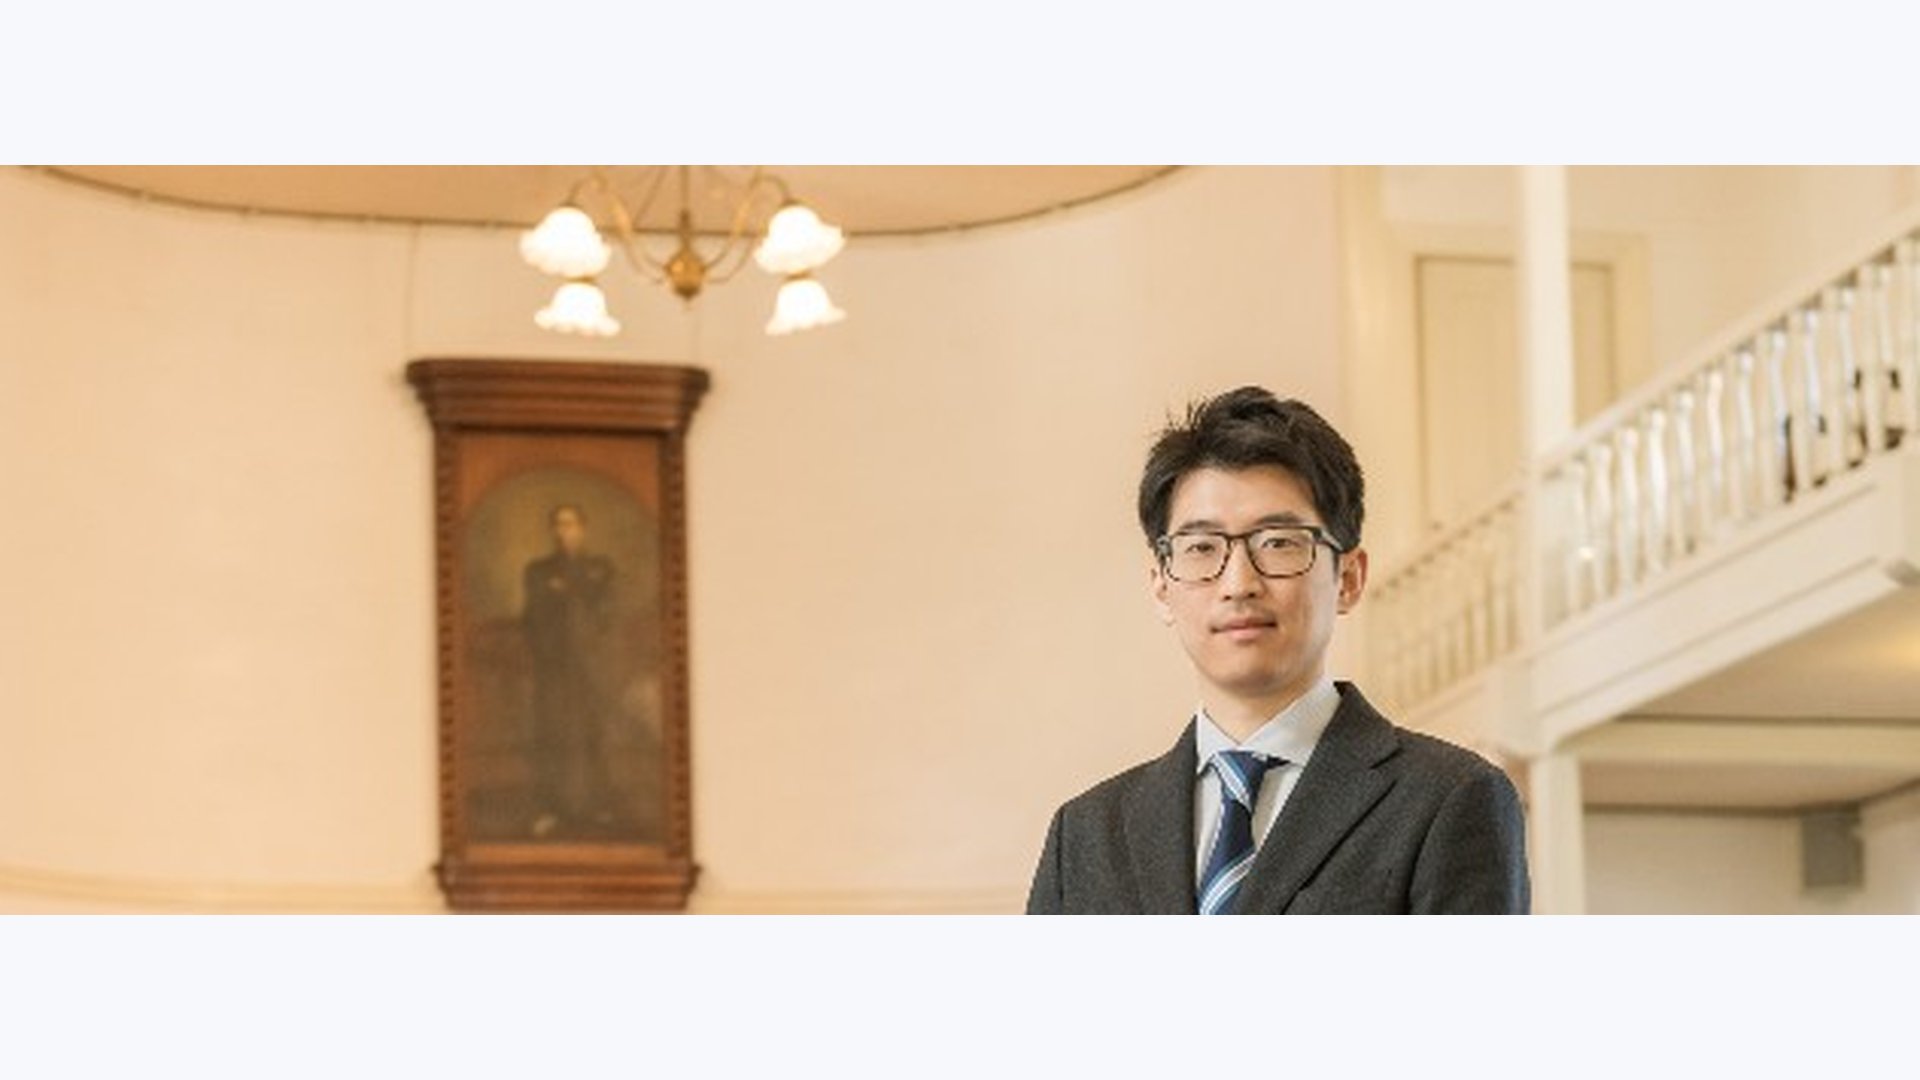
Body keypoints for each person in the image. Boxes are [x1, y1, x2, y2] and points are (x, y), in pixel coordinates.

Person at [1026, 387, 1530, 914]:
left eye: (1278, 543)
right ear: (1161, 586)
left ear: (1349, 578)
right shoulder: (1083, 836)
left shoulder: (1450, 798)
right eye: (1202, 548)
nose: (1238, 584)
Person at [521, 503, 623, 838]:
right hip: (554, 666)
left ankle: (599, 806)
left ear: (583, 528)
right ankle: (549, 809)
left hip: (590, 666)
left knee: (593, 732)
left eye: (571, 524)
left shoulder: (600, 567)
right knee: (551, 733)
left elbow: (606, 611)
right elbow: (532, 615)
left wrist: (567, 590)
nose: (564, 531)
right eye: (558, 524)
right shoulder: (538, 570)